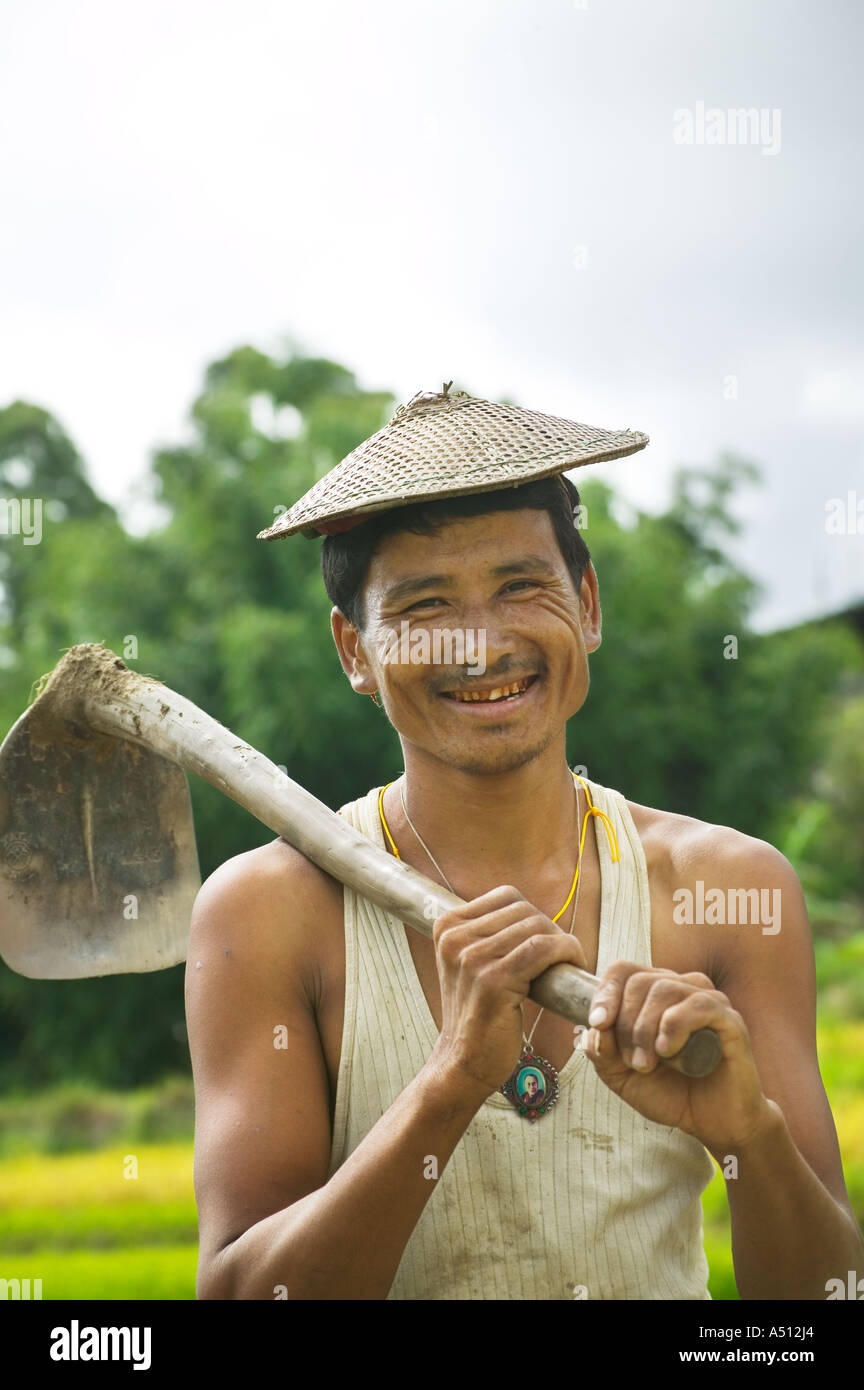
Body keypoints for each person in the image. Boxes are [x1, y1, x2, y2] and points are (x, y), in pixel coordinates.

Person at [186, 386, 864, 1300]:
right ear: (355, 650)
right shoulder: (264, 915)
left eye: (521, 587)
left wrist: (752, 1138)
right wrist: (452, 1082)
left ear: (585, 604)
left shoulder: (729, 889)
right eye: (425, 606)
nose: (483, 643)